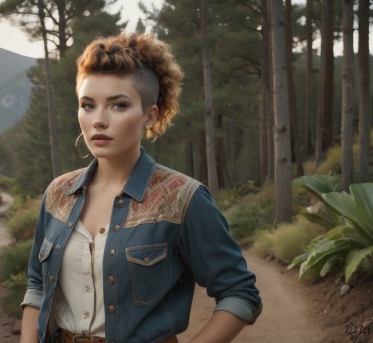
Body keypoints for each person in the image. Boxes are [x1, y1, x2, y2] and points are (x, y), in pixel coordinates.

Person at [20, 32, 262, 343]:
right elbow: (37, 284)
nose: (98, 121)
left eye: (118, 105)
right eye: (88, 105)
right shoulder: (58, 193)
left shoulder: (182, 197)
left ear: (150, 115)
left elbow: (240, 293)